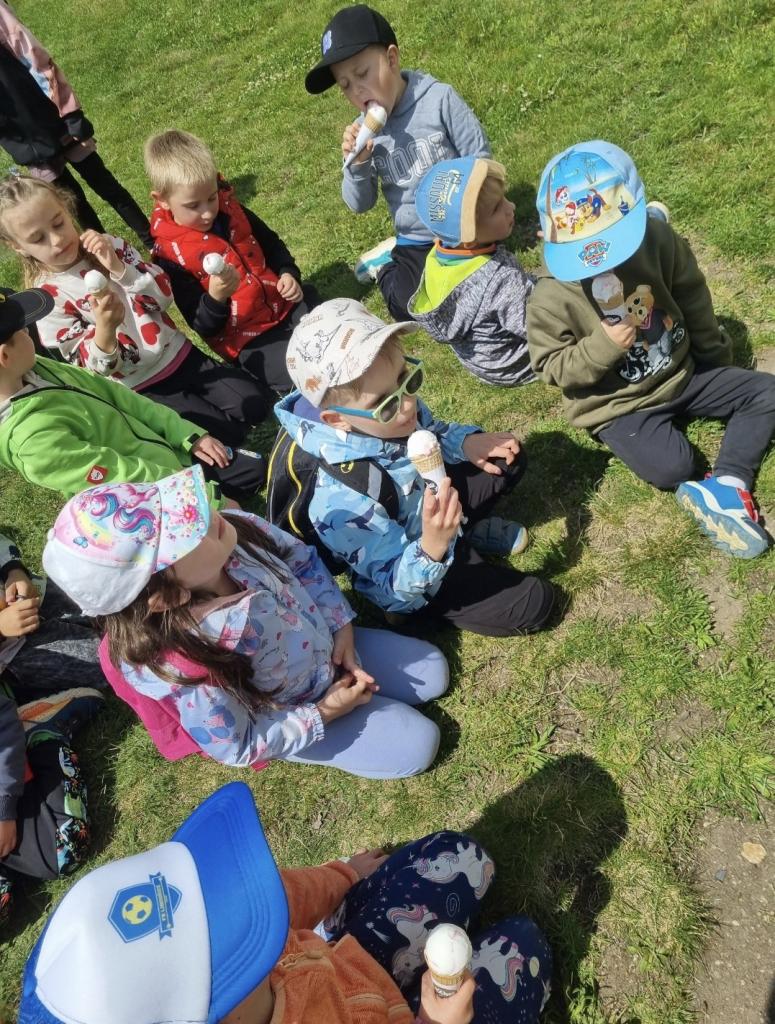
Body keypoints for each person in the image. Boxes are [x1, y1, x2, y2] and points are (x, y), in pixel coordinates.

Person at [19, 780, 553, 1024]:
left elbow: (277, 899)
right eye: (234, 929)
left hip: (350, 962)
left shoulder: (238, 940)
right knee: (523, 948)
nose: (242, 900)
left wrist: (344, 874)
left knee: (463, 858)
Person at [42, 465, 448, 780]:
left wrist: (341, 627)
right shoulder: (184, 664)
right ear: (167, 596)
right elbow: (238, 743)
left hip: (333, 647)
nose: (204, 513)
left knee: (434, 671)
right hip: (296, 708)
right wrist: (324, 713)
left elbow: (301, 562)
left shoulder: (237, 530)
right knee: (419, 744)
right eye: (187, 531)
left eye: (184, 509)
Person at [527, 140, 775, 559]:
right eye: (584, 254)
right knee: (675, 467)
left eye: (611, 245)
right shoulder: (550, 297)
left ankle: (730, 484)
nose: (599, 263)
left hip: (682, 374)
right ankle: (692, 476)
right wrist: (602, 347)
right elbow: (551, 365)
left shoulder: (657, 240)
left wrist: (716, 361)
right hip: (620, 405)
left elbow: (692, 296)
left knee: (766, 391)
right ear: (546, 237)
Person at [274, 298, 555, 637]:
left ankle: (466, 533)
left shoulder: (393, 406)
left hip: (434, 507)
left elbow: (432, 433)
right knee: (536, 603)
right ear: (337, 420)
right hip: (415, 566)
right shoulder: (338, 500)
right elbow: (393, 582)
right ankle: (416, 609)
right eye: (385, 404)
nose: (408, 405)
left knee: (506, 456)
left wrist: (465, 443)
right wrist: (434, 547)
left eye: (406, 378)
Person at [0, 174, 271, 444]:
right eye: (38, 238)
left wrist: (119, 268)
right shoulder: (48, 299)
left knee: (257, 404)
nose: (57, 240)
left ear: (66, 208)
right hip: (142, 388)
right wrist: (105, 329)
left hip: (180, 355)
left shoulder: (110, 246)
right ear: (18, 247)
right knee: (227, 436)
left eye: (58, 223)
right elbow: (93, 369)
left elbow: (163, 297)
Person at [305, 4, 490, 321]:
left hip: (461, 222)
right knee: (408, 306)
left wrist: (474, 210)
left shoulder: (438, 100)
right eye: (345, 85)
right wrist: (358, 163)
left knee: (481, 284)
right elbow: (359, 204)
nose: (357, 90)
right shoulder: (364, 134)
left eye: (362, 74)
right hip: (415, 240)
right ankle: (386, 267)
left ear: (391, 59)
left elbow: (480, 156)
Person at [0, 286, 265, 504]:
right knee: (226, 521)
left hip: (166, 455)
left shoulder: (38, 369)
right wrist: (209, 500)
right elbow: (123, 480)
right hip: (144, 503)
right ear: (4, 356)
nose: (28, 331)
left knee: (254, 469)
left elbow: (121, 396)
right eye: (21, 329)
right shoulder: (32, 443)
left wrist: (187, 434)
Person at [144, 129, 319, 395]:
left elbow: (271, 243)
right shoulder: (170, 256)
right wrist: (217, 298)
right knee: (302, 373)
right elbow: (201, 324)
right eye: (193, 206)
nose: (207, 213)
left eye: (211, 197)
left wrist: (287, 273)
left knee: (331, 329)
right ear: (162, 200)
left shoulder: (230, 209)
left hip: (284, 304)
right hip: (248, 339)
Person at [0, 529, 105, 923]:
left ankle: (38, 731)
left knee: (119, 636)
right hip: (16, 643)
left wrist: (13, 571)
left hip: (20, 638)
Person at [0, 2, 151, 247]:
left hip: (56, 122)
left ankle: (153, 243)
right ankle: (105, 256)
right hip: (27, 148)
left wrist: (70, 113)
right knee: (73, 204)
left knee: (106, 185)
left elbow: (35, 58)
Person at [409, 156, 536, 387]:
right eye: (497, 208)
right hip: (516, 362)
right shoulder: (499, 278)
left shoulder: (438, 255)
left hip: (483, 361)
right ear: (468, 237)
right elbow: (538, 326)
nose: (511, 207)